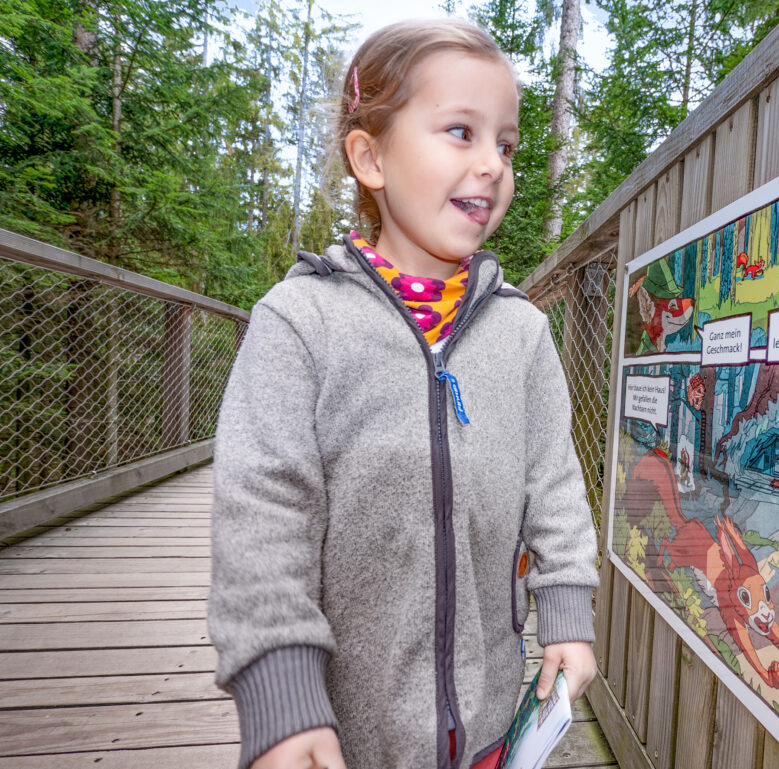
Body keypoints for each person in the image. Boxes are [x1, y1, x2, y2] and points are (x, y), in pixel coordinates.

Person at [207, 18, 600, 769]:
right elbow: (262, 514)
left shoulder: (521, 332)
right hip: (338, 732)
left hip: (486, 724)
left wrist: (567, 614)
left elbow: (554, 486)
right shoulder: (300, 321)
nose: (492, 164)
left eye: (507, 145)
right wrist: (281, 694)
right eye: (461, 131)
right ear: (370, 157)